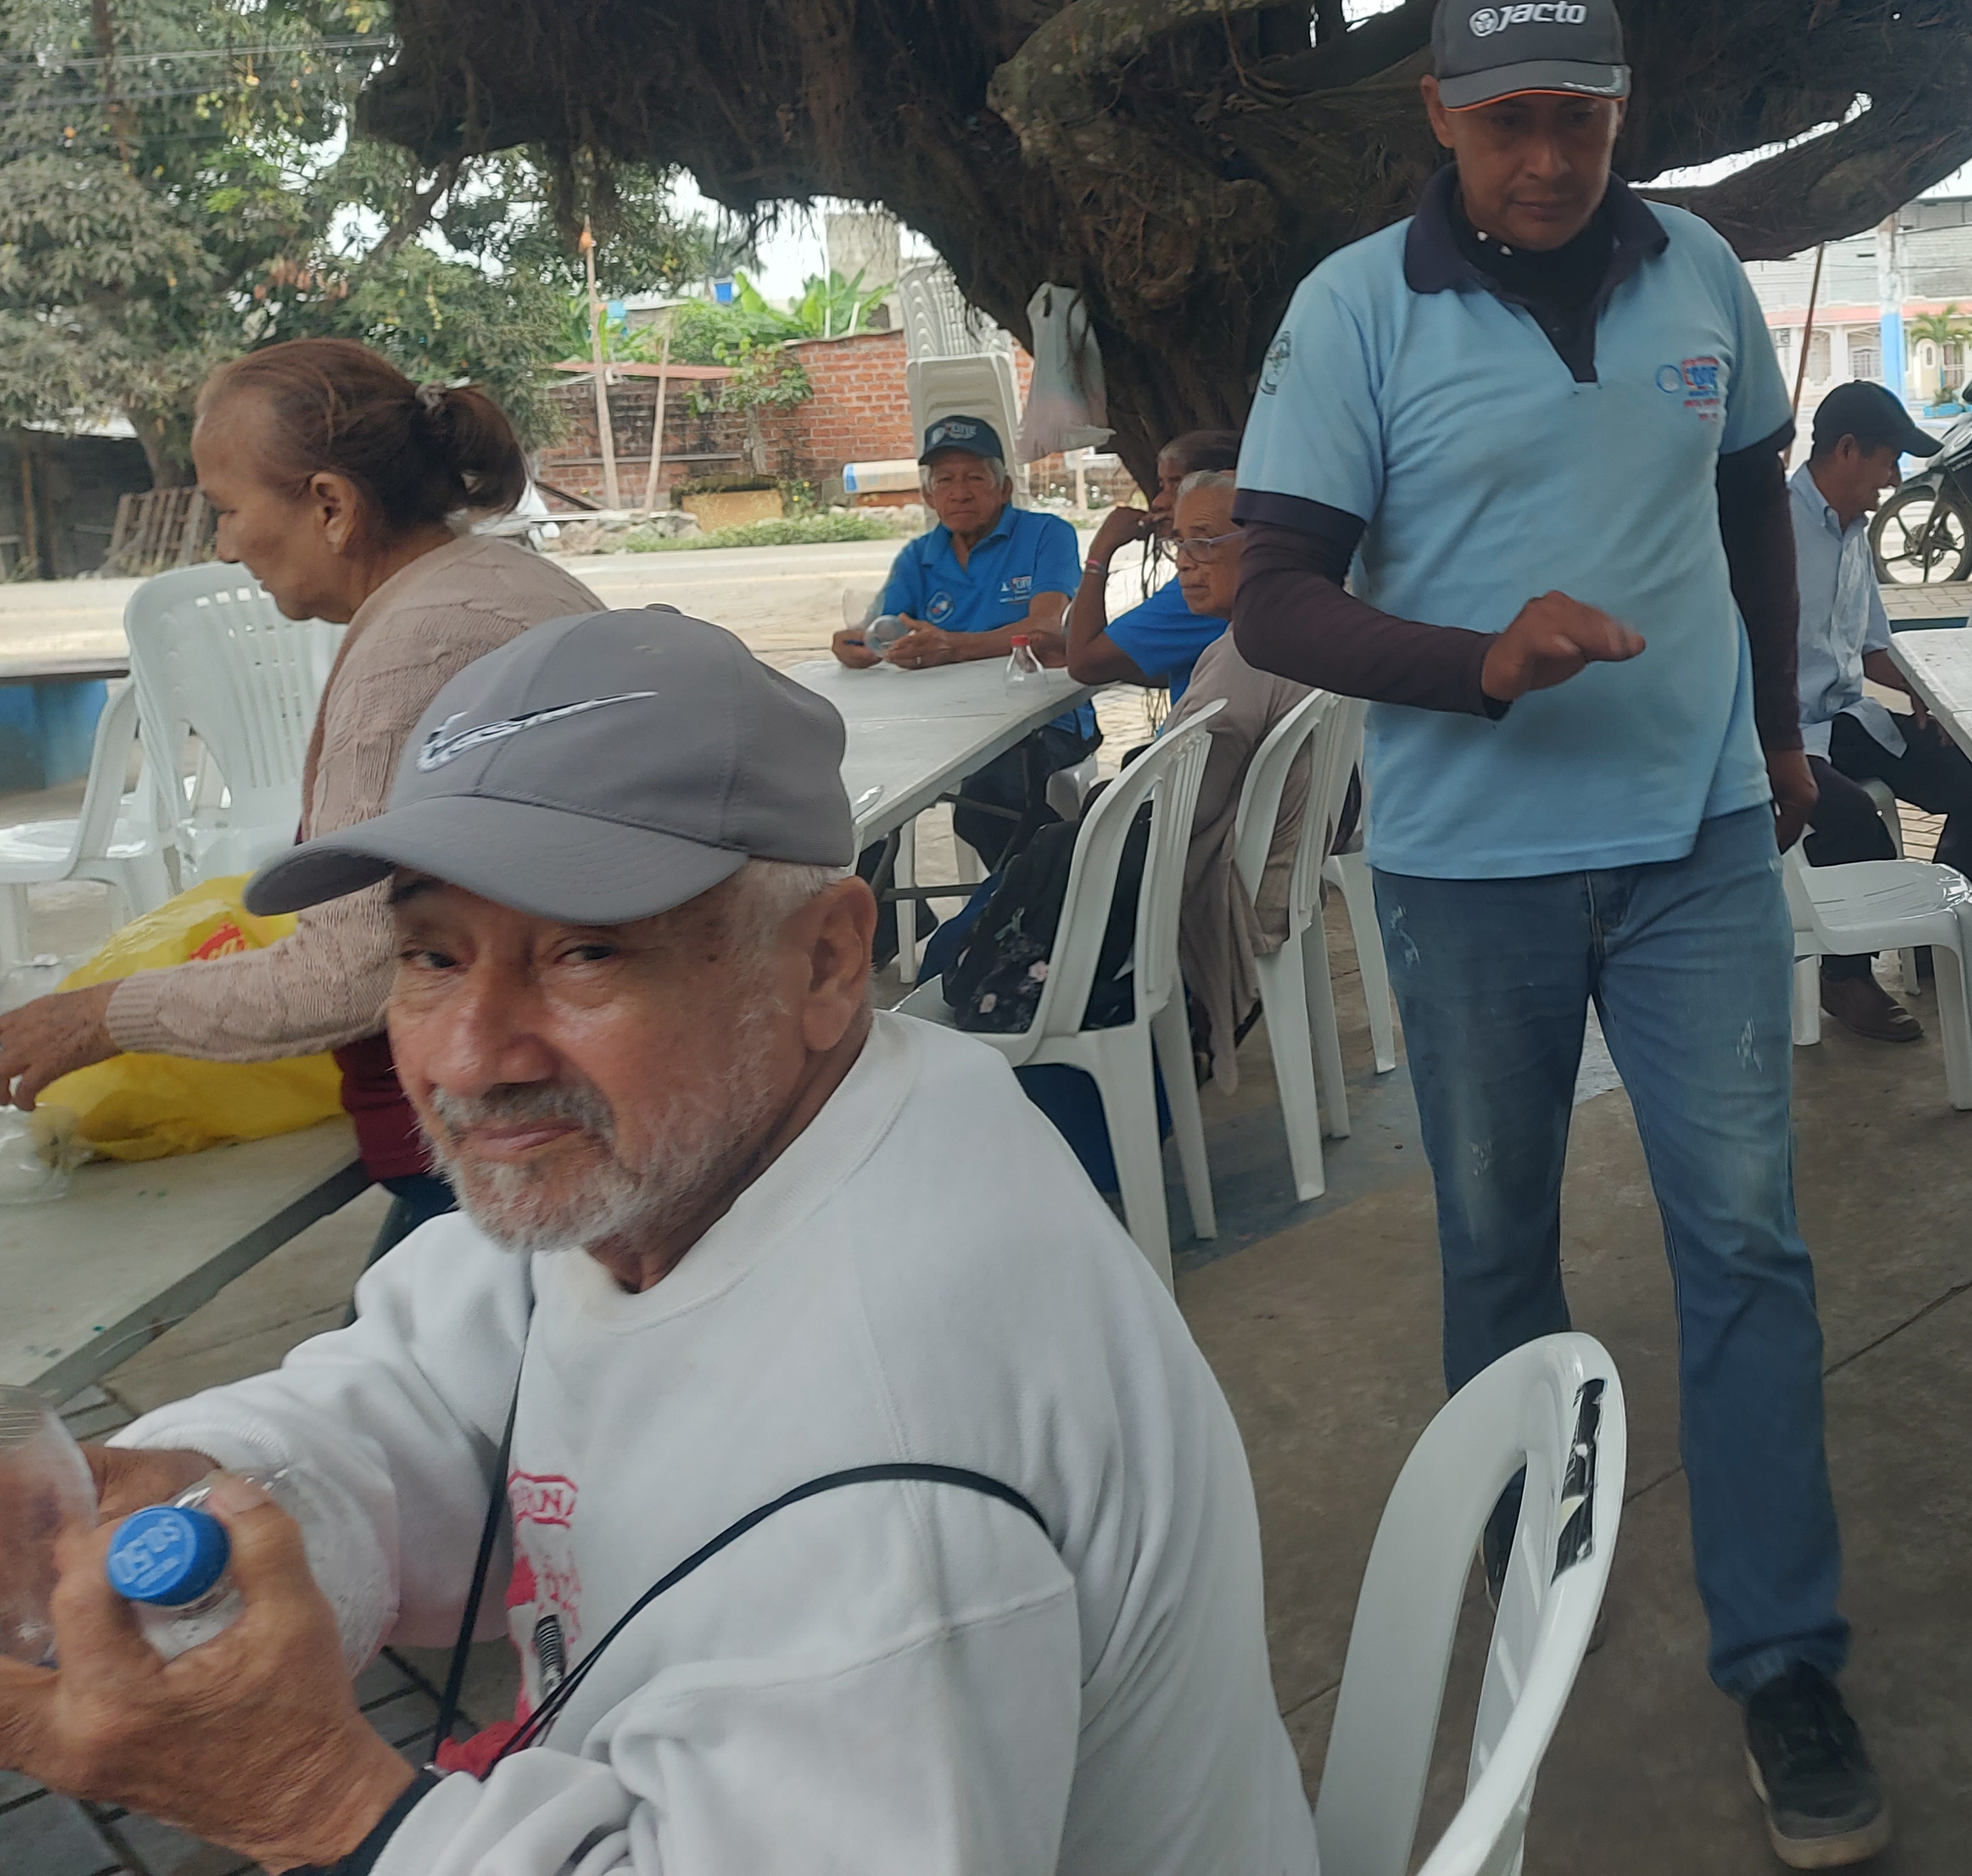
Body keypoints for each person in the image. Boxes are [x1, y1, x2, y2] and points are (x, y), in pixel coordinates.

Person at [0, 610, 1317, 1873]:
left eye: (584, 954)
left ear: (823, 961)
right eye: (432, 956)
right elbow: (419, 1389)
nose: (470, 1057)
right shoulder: (696, 1149)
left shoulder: (888, 1473)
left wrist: (322, 1808)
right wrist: (192, 1500)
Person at [1231, 0, 1889, 1864]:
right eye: (1508, 121)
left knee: (1746, 1241)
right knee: (1499, 1242)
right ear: (1438, 112)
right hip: (1471, 866)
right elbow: (1273, 597)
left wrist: (1776, 730)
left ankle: (1785, 1656)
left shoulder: (1700, 277)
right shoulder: (1356, 309)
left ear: (1622, 113)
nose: (1545, 159)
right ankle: (1533, 1565)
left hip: (1694, 838)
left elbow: (1749, 503)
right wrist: (1475, 662)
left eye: (1578, 122)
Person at [0, 341, 596, 1251]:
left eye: (227, 510)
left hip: (515, 1127)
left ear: (331, 506)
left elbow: (347, 977)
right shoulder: (498, 581)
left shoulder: (417, 649)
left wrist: (95, 1017)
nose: (224, 545)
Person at [1791, 381, 1972, 1045]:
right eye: (1889, 460)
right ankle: (1844, 975)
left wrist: (1931, 696)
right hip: (1778, 732)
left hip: (1846, 716)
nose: (1894, 479)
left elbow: (1873, 647)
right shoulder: (1769, 528)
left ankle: (1942, 943)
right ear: (1847, 450)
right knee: (1854, 823)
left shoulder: (1853, 532)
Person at [832, 414, 1089, 865]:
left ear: (1003, 488)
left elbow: (1046, 627)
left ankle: (1042, 903)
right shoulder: (919, 557)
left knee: (991, 801)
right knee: (848, 798)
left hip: (1043, 722)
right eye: (945, 480)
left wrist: (954, 646)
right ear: (929, 496)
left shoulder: (1047, 535)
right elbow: (887, 631)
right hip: (940, 725)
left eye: (974, 477)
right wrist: (863, 647)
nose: (960, 492)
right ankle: (878, 912)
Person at [1150, 468, 1320, 1094]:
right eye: (1179, 543)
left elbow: (1182, 806)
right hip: (1281, 863)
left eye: (1203, 541)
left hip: (1234, 890)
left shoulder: (1249, 649)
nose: (1184, 562)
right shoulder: (1307, 617)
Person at [1043, 426, 1239, 703]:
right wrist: (1081, 649)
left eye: (1177, 485)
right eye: (1162, 486)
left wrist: (1101, 551)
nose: (1158, 502)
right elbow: (1170, 665)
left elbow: (1085, 665)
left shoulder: (1206, 586)